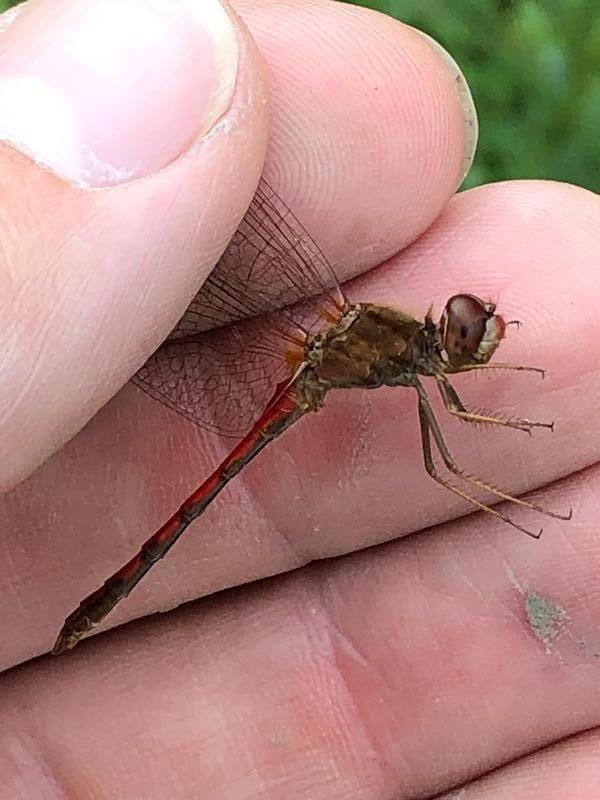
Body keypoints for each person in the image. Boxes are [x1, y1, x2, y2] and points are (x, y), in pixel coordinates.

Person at [1, 0, 599, 797]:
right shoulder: (403, 354)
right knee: (448, 468)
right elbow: (450, 446)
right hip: (291, 385)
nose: (474, 337)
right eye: (468, 333)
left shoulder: (406, 349)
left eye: (468, 333)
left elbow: (453, 402)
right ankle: (99, 606)